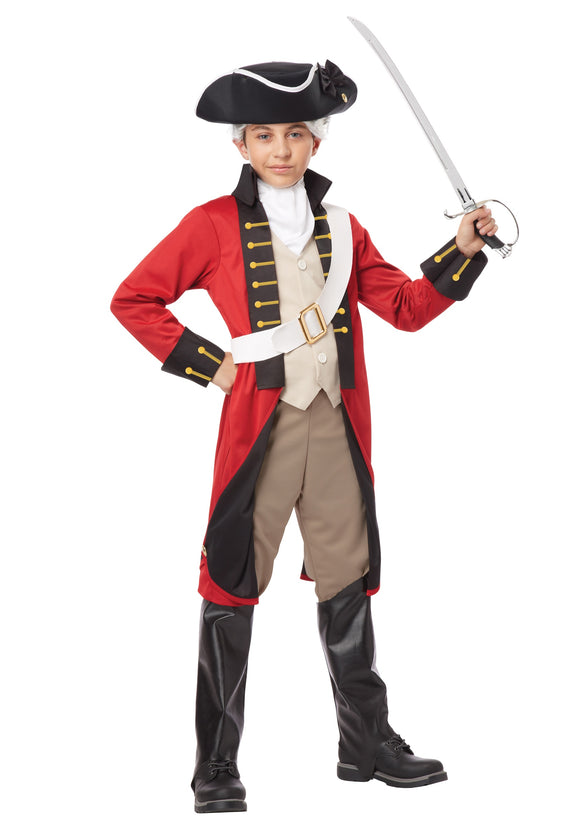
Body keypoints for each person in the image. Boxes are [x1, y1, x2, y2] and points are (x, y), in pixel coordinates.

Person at [110, 60, 498, 813]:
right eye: (264, 135)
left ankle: (366, 745)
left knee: (347, 579)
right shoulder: (209, 225)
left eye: (294, 133)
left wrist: (462, 249)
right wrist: (212, 365)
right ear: (241, 145)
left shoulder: (345, 227)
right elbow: (135, 298)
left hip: (336, 426)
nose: (281, 149)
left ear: (316, 141)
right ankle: (215, 763)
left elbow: (406, 307)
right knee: (231, 584)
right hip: (259, 430)